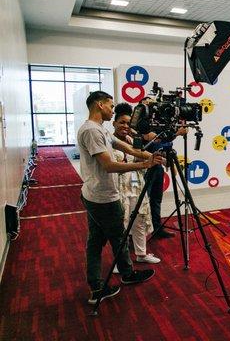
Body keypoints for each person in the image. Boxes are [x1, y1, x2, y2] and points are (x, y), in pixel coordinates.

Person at [77, 91, 162, 305]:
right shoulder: (91, 131)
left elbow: (122, 146)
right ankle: (123, 275)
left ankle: (99, 284)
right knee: (118, 238)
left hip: (98, 194)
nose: (113, 109)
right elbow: (109, 165)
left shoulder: (100, 130)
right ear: (99, 104)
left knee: (96, 241)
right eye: (110, 105)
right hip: (102, 196)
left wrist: (148, 156)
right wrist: (143, 164)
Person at [112, 103, 160, 266]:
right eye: (121, 122)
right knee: (121, 225)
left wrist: (155, 158)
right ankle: (121, 262)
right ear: (114, 123)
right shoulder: (108, 142)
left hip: (136, 185)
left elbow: (140, 155)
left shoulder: (133, 140)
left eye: (128, 123)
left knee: (140, 219)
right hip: (118, 188)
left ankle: (141, 253)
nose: (125, 126)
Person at [140, 98, 187, 239]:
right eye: (148, 103)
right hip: (144, 167)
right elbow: (154, 139)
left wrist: (168, 161)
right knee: (143, 201)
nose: (153, 106)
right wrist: (178, 133)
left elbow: (165, 141)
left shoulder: (159, 123)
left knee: (156, 199)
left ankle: (156, 228)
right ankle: (136, 234)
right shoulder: (141, 125)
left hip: (158, 166)